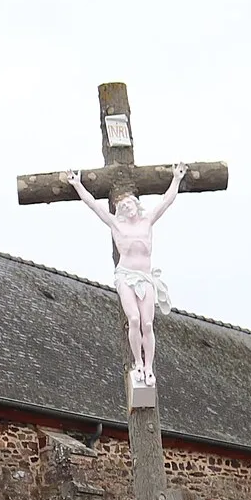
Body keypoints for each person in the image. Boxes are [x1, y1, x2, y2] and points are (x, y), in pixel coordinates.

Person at [66, 162, 185, 385]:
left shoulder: (147, 221)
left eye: (130, 204)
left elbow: (166, 201)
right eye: (124, 206)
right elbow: (94, 206)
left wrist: (176, 179)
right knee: (134, 319)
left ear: (136, 205)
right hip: (126, 277)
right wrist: (78, 184)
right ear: (120, 210)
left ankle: (149, 366)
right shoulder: (116, 225)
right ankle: (137, 363)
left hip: (145, 277)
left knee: (147, 324)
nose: (128, 207)